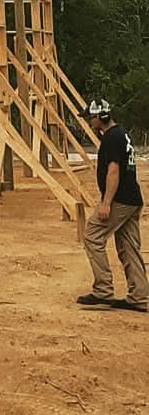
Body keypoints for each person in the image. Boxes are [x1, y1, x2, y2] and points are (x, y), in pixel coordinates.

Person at [78, 98, 146, 312]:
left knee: (91, 234)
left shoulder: (111, 139)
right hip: (132, 199)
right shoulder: (121, 134)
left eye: (91, 117)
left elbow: (113, 171)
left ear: (101, 117)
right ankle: (139, 296)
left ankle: (103, 290)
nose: (90, 121)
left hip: (121, 200)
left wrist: (106, 203)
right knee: (128, 247)